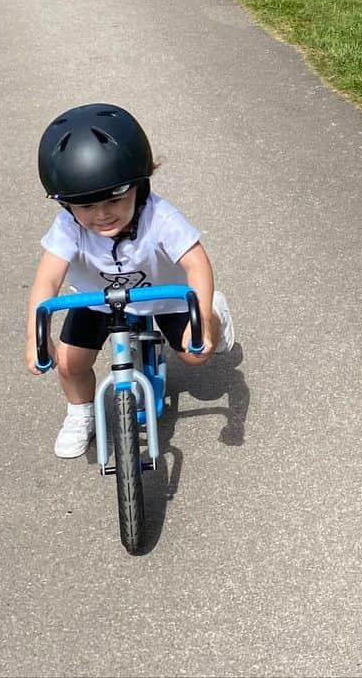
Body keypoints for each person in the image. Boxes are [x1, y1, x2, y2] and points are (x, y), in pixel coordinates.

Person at [25, 103, 236, 458]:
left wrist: (199, 316)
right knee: (68, 364)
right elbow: (46, 281)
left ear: (139, 186)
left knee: (197, 354)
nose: (102, 214)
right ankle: (80, 412)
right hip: (97, 300)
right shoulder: (68, 227)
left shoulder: (160, 217)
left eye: (115, 200)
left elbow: (197, 263)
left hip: (163, 297)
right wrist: (35, 337)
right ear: (67, 206)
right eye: (86, 207)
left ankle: (216, 314)